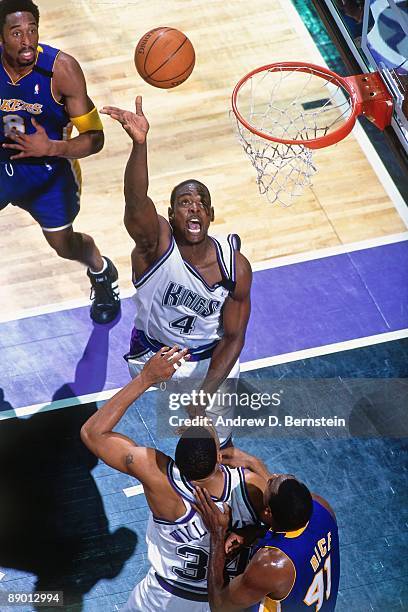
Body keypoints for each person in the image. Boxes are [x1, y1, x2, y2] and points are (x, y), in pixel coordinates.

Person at [100, 96, 252, 446]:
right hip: (154, 353)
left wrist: (202, 397)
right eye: (185, 203)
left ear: (211, 215)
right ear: (171, 215)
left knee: (215, 445)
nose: (194, 207)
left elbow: (234, 338)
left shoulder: (235, 268)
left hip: (206, 360)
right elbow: (136, 202)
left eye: (201, 203)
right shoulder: (155, 247)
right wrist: (140, 145)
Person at [80, 347, 265, 612]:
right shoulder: (252, 486)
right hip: (225, 601)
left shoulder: (158, 476)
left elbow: (92, 433)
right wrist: (250, 531)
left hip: (161, 601)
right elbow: (289, 522)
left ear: (177, 460)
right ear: (218, 457)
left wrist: (146, 378)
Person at [0, 0, 120, 323]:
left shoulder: (62, 70)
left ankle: (101, 269)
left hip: (49, 174)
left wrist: (51, 147)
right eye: (16, 33)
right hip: (3, 163)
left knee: (64, 246)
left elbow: (96, 138)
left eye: (32, 30)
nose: (27, 41)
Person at [194, 447, 340, 612]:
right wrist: (253, 463)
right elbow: (299, 542)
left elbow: (220, 605)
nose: (273, 476)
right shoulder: (322, 508)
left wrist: (218, 534)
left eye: (271, 482)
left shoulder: (269, 564)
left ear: (268, 512)